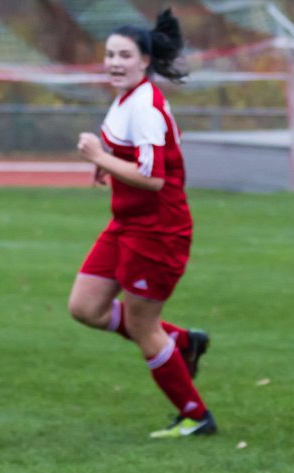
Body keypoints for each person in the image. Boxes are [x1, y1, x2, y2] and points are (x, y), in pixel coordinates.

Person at [68, 9, 214, 438]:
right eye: (110, 54)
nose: (114, 62)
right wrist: (106, 166)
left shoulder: (146, 105)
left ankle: (195, 415)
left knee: (141, 326)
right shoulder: (125, 97)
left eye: (124, 55)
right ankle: (183, 342)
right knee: (84, 307)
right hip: (126, 225)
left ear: (144, 60)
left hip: (158, 231)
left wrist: (98, 158)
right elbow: (130, 155)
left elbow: (153, 178)